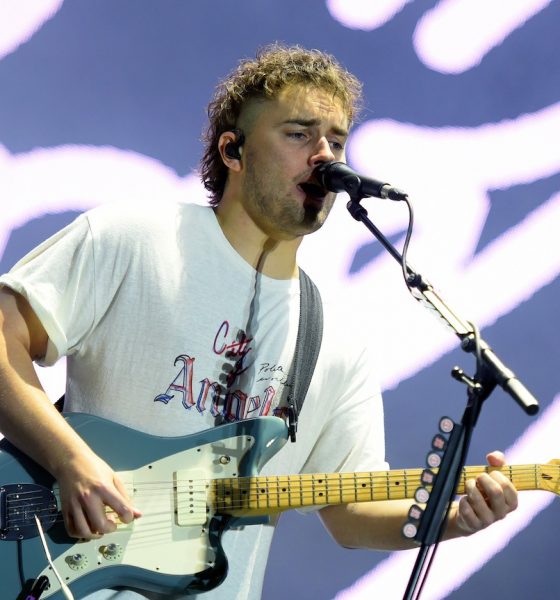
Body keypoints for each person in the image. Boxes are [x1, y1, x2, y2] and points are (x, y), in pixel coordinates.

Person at [0, 44, 517, 600]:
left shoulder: (337, 336)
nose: (325, 155)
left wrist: (451, 519)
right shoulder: (134, 240)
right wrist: (71, 459)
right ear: (233, 150)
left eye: (337, 140)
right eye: (299, 133)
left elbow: (349, 510)